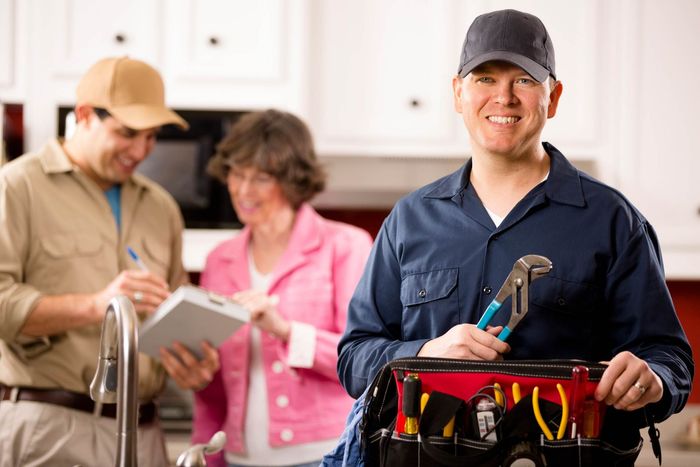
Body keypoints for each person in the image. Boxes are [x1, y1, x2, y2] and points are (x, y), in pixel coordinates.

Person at [336, 7, 693, 458]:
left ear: (554, 97)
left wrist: (652, 379)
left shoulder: (613, 222)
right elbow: (354, 358)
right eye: (485, 78)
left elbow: (670, 358)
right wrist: (427, 351)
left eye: (523, 80)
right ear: (457, 93)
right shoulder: (408, 221)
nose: (503, 97)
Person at [0, 57, 219, 466]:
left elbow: (169, 310)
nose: (140, 150)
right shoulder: (17, 187)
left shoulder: (161, 207)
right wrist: (99, 305)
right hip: (50, 429)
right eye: (127, 133)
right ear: (84, 115)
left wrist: (192, 361)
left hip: (144, 434)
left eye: (152, 136)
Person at [188, 109, 373, 467]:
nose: (243, 190)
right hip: (240, 457)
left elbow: (363, 360)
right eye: (237, 175)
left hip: (324, 454)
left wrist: (284, 330)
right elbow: (213, 392)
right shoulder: (219, 260)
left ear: (291, 180)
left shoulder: (345, 246)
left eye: (260, 178)